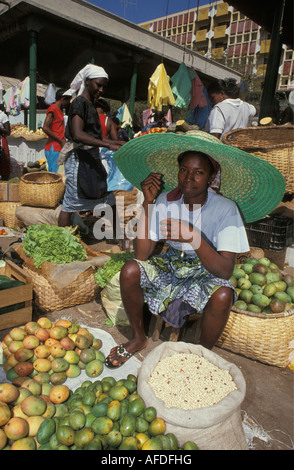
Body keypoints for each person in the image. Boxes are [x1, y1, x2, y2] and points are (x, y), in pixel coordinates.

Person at [105, 145, 250, 368]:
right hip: (170, 263)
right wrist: (148, 203)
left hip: (205, 268)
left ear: (212, 176)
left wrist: (193, 236)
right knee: (131, 269)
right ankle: (138, 338)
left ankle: (201, 356)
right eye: (184, 170)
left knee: (223, 295)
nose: (188, 178)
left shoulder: (226, 208)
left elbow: (224, 270)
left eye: (199, 172)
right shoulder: (165, 200)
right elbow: (142, 254)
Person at [57, 64, 124, 228]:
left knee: (108, 197)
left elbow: (95, 136)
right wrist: (108, 144)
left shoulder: (90, 105)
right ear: (87, 81)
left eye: (103, 86)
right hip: (79, 161)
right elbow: (79, 134)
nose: (101, 89)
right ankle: (62, 240)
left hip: (91, 158)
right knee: (70, 205)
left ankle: (116, 236)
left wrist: (117, 143)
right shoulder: (79, 103)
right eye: (98, 85)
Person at [43, 89, 72, 172]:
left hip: (57, 147)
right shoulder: (53, 108)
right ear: (63, 99)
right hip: (54, 147)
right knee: (54, 175)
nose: (68, 103)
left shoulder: (59, 111)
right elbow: (45, 127)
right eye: (68, 101)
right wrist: (60, 140)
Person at [0, 105, 12, 180]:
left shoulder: (2, 116)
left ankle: (4, 184)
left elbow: (8, 131)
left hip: (1, 143)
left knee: (3, 165)